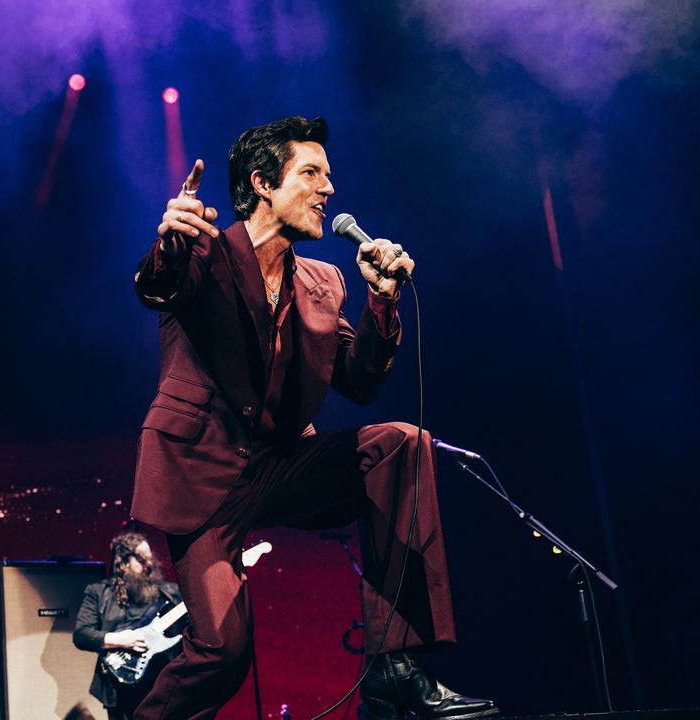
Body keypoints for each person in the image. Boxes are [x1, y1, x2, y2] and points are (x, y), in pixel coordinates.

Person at [129, 116, 497, 720]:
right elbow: (158, 286)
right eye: (312, 173)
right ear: (262, 183)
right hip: (201, 477)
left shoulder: (324, 281)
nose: (329, 188)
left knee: (401, 444)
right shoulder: (203, 251)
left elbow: (358, 381)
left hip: (278, 467)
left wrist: (381, 299)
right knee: (222, 653)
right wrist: (169, 238)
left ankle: (393, 667)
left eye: (329, 176)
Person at [73, 532, 183, 720]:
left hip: (161, 681)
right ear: (122, 562)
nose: (149, 564)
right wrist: (120, 640)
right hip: (119, 683)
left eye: (150, 558)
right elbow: (81, 635)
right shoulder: (99, 593)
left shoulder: (170, 593)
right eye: (141, 558)